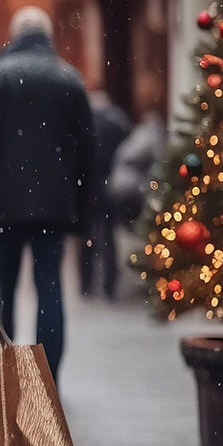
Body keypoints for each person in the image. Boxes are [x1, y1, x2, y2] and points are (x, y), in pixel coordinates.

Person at [0, 6, 94, 378]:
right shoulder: (68, 78)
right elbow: (87, 149)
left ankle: (7, 367)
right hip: (55, 204)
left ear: (15, 34)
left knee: (5, 284)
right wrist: (80, 205)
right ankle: (47, 374)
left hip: (7, 203)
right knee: (50, 285)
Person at [79, 91, 133, 299]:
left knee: (87, 238)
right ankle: (109, 284)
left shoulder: (86, 121)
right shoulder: (118, 121)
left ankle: (86, 283)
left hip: (89, 186)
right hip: (111, 185)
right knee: (109, 237)